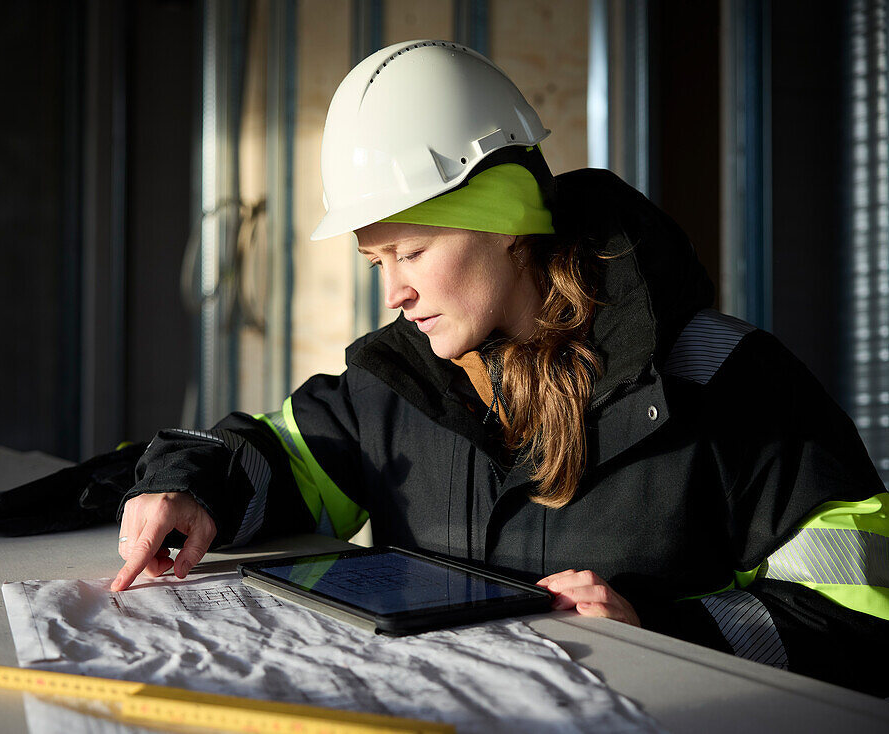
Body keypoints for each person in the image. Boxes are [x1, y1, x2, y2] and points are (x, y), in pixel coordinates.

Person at [112, 40, 888, 695]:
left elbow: (861, 615)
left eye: (413, 251)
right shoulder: (400, 385)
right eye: (378, 259)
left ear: (510, 223)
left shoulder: (730, 383)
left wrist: (662, 630)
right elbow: (280, 456)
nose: (397, 291)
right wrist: (188, 484)